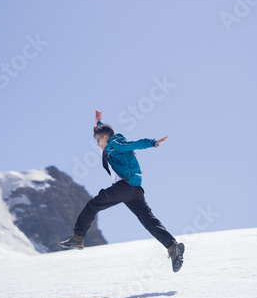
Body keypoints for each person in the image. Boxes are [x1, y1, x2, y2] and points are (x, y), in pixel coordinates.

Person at [60, 111, 185, 272]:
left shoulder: (114, 144)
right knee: (148, 220)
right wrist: (99, 123)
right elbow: (106, 132)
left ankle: (78, 237)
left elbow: (132, 144)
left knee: (93, 205)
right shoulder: (110, 143)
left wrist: (152, 142)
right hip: (135, 190)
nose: (98, 144)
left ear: (105, 137)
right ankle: (172, 246)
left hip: (124, 187)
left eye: (98, 140)